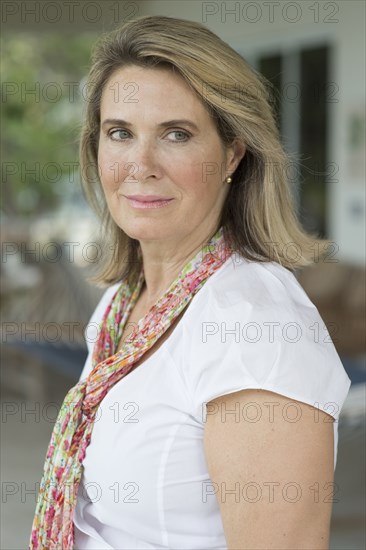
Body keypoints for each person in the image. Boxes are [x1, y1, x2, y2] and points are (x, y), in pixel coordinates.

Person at [30, 15, 351, 550]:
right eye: (120, 133)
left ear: (232, 152)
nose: (141, 164)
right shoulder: (120, 304)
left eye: (176, 134)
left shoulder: (256, 330)